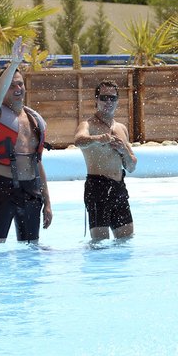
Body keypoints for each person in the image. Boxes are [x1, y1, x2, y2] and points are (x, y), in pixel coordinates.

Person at [0, 37, 53, 243]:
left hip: (30, 190)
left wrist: (47, 201)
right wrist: (13, 64)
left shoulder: (33, 119)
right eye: (12, 85)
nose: (18, 88)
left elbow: (37, 162)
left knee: (31, 250)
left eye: (20, 84)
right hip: (1, 189)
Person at [74, 80, 138, 241]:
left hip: (119, 187)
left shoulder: (121, 128)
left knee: (126, 240)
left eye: (112, 98)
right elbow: (79, 140)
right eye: (104, 97)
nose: (108, 102)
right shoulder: (88, 124)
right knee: (99, 245)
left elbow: (131, 166)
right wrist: (97, 139)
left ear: (117, 101)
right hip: (97, 187)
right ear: (96, 100)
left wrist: (123, 150)